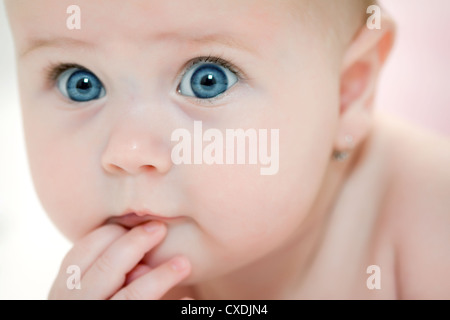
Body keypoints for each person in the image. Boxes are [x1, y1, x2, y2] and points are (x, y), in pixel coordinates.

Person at [4, 0, 450, 299]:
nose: (129, 151)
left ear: (346, 91)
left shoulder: (430, 224)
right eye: (80, 82)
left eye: (207, 79)